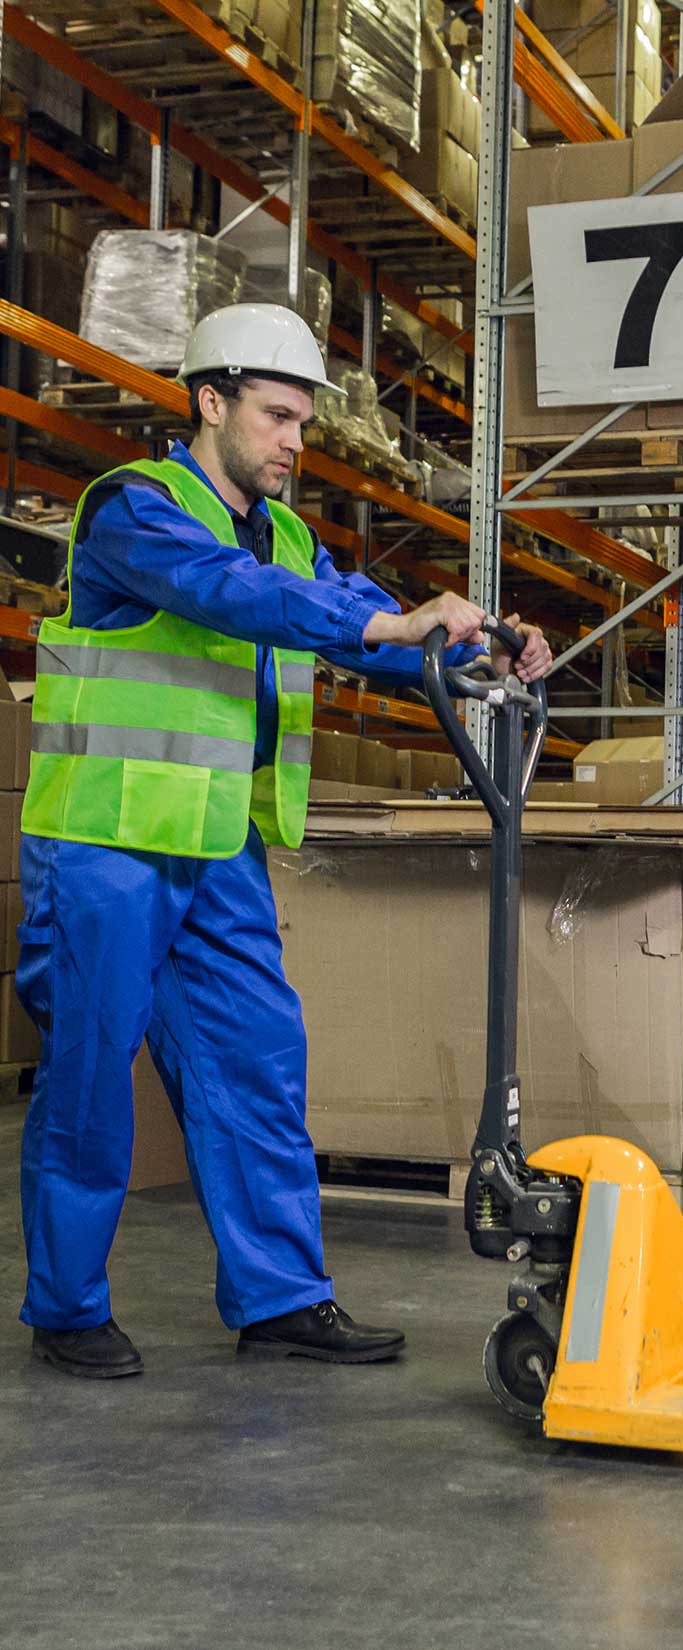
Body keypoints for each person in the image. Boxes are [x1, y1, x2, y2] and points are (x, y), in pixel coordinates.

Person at [16, 303, 552, 1377]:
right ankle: (67, 1309)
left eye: (303, 422)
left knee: (257, 1064)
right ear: (208, 405)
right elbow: (232, 598)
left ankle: (279, 1298)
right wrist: (387, 625)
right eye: (274, 417)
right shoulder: (135, 511)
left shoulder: (292, 538)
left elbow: (357, 618)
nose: (294, 443)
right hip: (108, 848)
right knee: (88, 1077)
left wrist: (472, 648)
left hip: (221, 853)